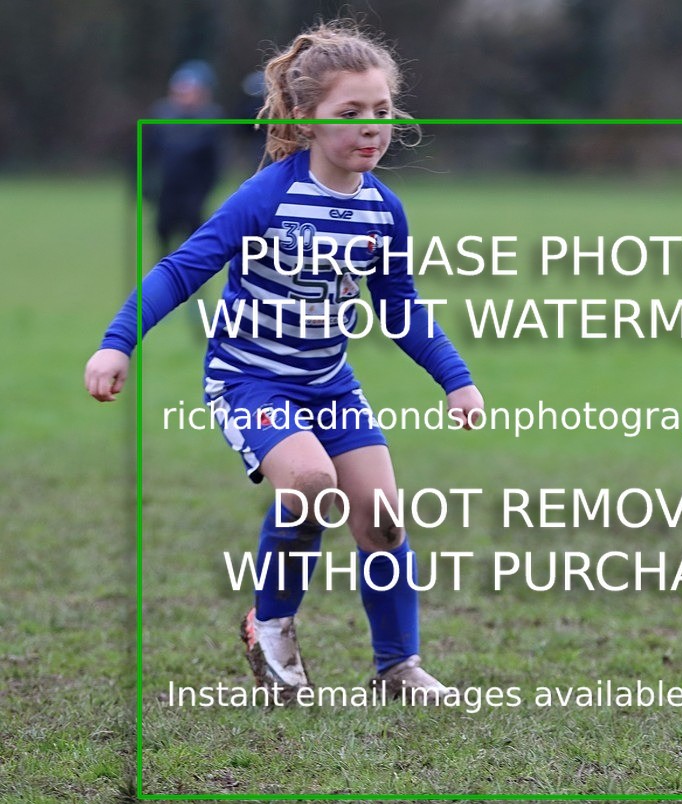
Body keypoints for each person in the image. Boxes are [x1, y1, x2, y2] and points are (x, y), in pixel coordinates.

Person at [84, 21, 485, 705]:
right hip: (250, 379)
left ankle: (397, 667)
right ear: (305, 120)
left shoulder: (384, 212)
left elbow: (402, 310)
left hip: (330, 385)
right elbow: (183, 270)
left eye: (381, 112)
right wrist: (118, 340)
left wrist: (457, 379)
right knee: (308, 479)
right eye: (349, 114)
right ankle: (269, 626)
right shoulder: (266, 196)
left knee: (382, 516)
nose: (371, 128)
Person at [145, 60, 225, 255]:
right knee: (162, 239)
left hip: (194, 194)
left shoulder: (211, 119)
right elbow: (147, 154)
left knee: (194, 246)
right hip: (166, 191)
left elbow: (216, 162)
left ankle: (194, 285)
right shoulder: (160, 115)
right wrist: (145, 185)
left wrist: (205, 192)